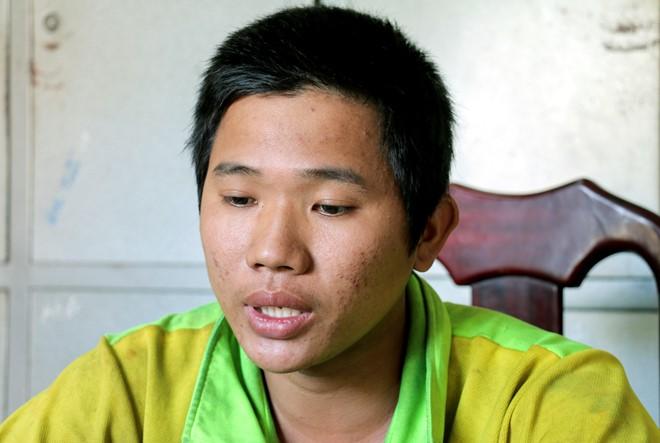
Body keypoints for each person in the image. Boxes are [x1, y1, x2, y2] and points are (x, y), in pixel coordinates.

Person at [1, 5, 657, 442]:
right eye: (239, 198)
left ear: (428, 231)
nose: (272, 251)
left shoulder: (551, 404)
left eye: (331, 207)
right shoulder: (129, 389)